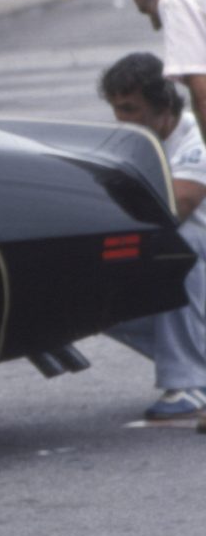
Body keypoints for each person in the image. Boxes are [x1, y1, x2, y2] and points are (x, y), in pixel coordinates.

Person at [98, 51, 206, 424]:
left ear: (163, 108)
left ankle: (191, 379)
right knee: (95, 286)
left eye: (130, 109)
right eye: (116, 109)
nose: (121, 120)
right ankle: (193, 363)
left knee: (178, 244)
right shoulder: (134, 143)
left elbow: (176, 209)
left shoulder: (196, 140)